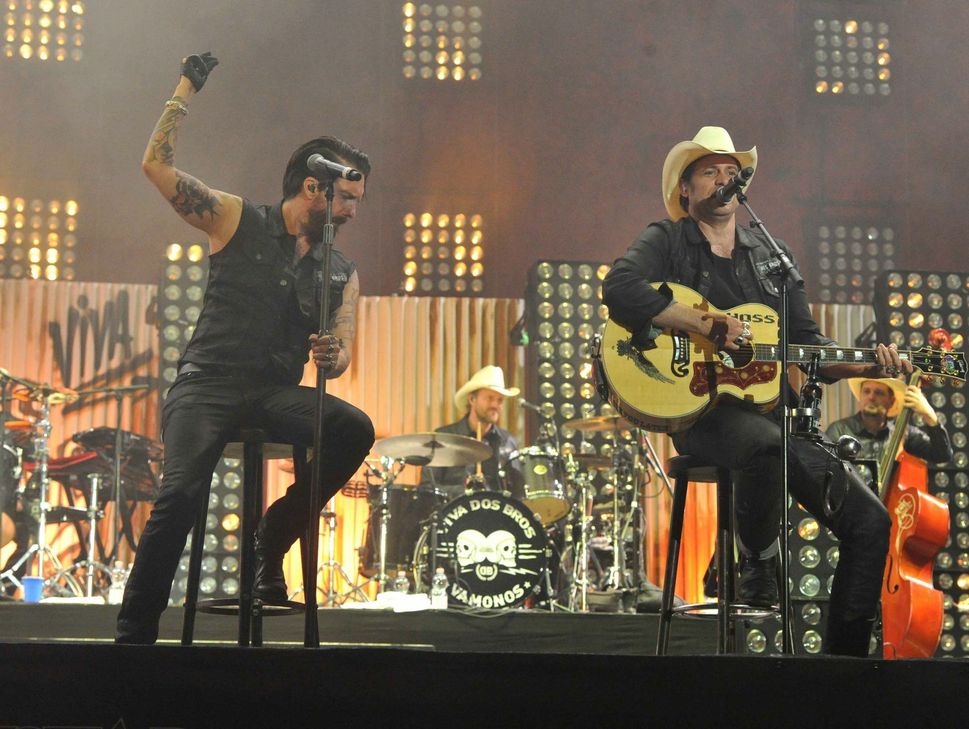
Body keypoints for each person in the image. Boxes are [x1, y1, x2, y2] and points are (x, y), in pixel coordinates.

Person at [602, 126, 910, 656]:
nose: (723, 179)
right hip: (701, 415)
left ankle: (845, 671)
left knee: (871, 524)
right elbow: (620, 287)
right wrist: (703, 325)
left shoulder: (773, 259)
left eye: (730, 171)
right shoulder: (668, 238)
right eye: (708, 171)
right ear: (685, 188)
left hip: (776, 417)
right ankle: (757, 560)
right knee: (762, 446)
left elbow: (808, 347)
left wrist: (869, 366)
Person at [116, 53, 375, 643]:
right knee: (179, 492)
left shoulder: (343, 272)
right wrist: (186, 86)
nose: (353, 212)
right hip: (206, 385)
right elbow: (155, 165)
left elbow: (343, 355)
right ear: (313, 186)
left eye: (358, 201)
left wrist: (332, 355)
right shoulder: (237, 219)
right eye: (345, 199)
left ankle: (273, 535)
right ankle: (133, 636)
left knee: (353, 428)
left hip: (273, 393)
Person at [419, 365, 523, 500]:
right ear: (472, 399)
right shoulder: (444, 437)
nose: (495, 405)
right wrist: (464, 491)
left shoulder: (509, 442)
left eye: (500, 400)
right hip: (453, 517)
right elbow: (426, 488)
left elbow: (518, 493)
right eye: (490, 398)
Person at [825, 378, 951, 487]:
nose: (871, 397)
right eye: (866, 391)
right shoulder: (839, 430)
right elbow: (825, 472)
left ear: (891, 401)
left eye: (879, 393)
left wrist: (929, 416)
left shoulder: (903, 433)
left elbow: (941, 455)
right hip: (850, 509)